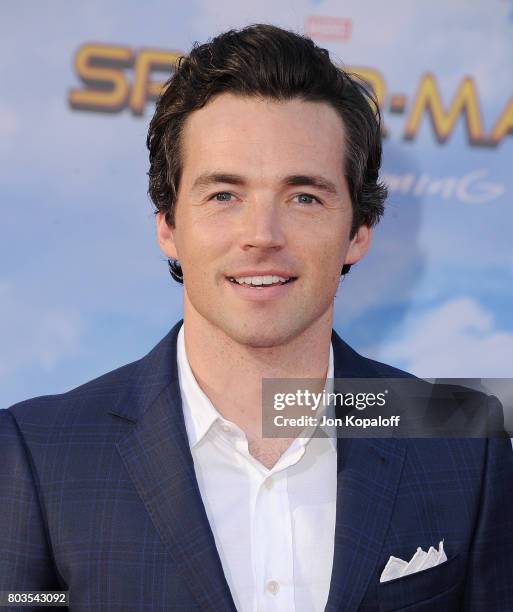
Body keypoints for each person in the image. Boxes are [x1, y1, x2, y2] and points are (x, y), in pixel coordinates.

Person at [1, 24, 512, 612]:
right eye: (224, 195)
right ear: (168, 225)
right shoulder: (37, 454)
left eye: (304, 198)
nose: (261, 237)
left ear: (358, 232)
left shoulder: (461, 436)